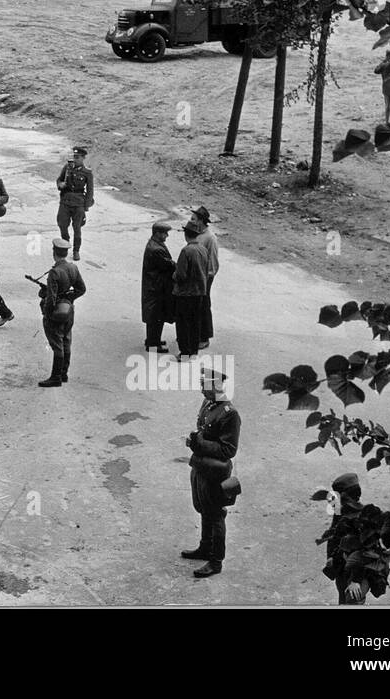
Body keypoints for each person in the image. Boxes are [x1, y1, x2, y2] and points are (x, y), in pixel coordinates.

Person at [182, 367, 241, 578]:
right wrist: (196, 441)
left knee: (215, 515)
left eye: (204, 386)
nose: (201, 391)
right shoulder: (208, 404)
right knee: (202, 509)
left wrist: (200, 443)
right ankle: (204, 547)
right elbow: (203, 430)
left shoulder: (230, 414)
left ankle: (216, 561)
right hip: (200, 466)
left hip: (215, 473)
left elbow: (228, 450)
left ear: (216, 386)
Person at [321, 473, 378, 604]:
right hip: (343, 567)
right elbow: (333, 536)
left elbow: (367, 553)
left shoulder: (364, 517)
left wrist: (355, 581)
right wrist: (330, 557)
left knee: (352, 598)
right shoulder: (341, 513)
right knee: (342, 597)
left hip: (361, 572)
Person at [36, 237, 84, 386]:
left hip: (56, 312)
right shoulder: (73, 268)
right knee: (66, 341)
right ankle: (63, 374)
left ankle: (55, 377)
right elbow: (81, 289)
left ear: (54, 252)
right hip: (69, 310)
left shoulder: (54, 272)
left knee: (57, 344)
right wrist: (69, 298)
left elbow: (51, 298)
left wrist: (47, 312)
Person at [172, 220, 211, 359]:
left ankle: (185, 353)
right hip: (199, 292)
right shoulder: (203, 250)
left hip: (185, 293)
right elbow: (206, 271)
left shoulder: (186, 251)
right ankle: (194, 351)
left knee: (183, 323)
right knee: (195, 322)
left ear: (186, 235)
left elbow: (181, 274)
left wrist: (174, 275)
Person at [55, 146, 94, 261]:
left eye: (77, 157)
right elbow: (59, 179)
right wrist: (60, 184)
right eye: (74, 157)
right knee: (62, 224)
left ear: (83, 158)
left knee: (77, 228)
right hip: (65, 201)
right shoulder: (67, 168)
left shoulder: (87, 172)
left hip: (78, 203)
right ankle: (65, 245)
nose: (75, 159)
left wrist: (86, 206)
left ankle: (76, 251)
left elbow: (90, 191)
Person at [141, 221, 175, 352]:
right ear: (157, 233)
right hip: (157, 287)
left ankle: (152, 339)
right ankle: (153, 345)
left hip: (154, 285)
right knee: (156, 316)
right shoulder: (156, 249)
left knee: (155, 316)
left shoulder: (155, 245)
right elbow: (169, 265)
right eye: (164, 233)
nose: (166, 236)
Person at [192, 206, 219, 347]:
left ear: (201, 221)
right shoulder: (197, 234)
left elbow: (213, 261)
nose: (192, 222)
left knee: (203, 305)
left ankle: (204, 338)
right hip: (197, 276)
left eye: (194, 219)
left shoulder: (210, 238)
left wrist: (208, 276)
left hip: (205, 277)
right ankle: (196, 335)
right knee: (196, 305)